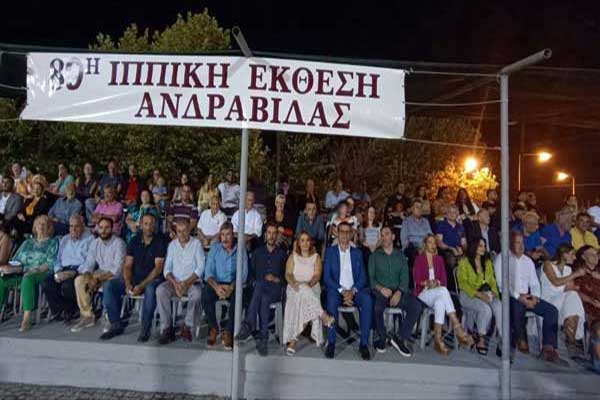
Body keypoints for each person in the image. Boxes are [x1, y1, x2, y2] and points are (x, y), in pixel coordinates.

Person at [493, 231, 560, 362]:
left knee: (552, 311)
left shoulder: (528, 261)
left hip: (527, 296)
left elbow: (534, 283)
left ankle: (548, 347)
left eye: (522, 242)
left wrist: (535, 297)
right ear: (510, 244)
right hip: (508, 296)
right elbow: (502, 284)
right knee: (518, 305)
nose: (521, 246)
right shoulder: (502, 259)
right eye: (517, 243)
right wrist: (519, 297)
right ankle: (521, 338)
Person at [102, 214, 167, 341]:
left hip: (152, 279)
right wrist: (127, 283)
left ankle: (145, 328)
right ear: (141, 225)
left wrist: (141, 285)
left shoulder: (160, 241)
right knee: (109, 285)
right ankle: (115, 324)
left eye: (152, 224)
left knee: (150, 289)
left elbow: (158, 268)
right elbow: (127, 266)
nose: (149, 227)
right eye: (146, 224)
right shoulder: (134, 241)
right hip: (135, 278)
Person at [413, 234, 473, 355]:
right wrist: (428, 283)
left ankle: (438, 340)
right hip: (423, 293)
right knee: (443, 291)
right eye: (430, 242)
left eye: (434, 242)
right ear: (425, 244)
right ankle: (457, 326)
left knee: (440, 302)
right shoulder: (419, 259)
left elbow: (444, 281)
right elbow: (417, 279)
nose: (433, 245)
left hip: (437, 292)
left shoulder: (439, 259)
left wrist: (436, 283)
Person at [369, 226, 422, 357]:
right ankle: (382, 337)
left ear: (393, 237)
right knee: (377, 307)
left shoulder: (400, 256)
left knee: (416, 305)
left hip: (397, 291)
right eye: (382, 235)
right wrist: (381, 288)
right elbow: (371, 278)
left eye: (386, 234)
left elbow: (405, 278)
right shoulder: (375, 256)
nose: (384, 237)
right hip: (381, 291)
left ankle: (400, 337)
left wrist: (399, 292)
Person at [236, 223, 288, 356]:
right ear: (265, 235)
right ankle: (263, 340)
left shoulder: (282, 254)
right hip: (260, 291)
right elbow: (251, 275)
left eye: (274, 233)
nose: (271, 236)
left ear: (277, 236)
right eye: (269, 233)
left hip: (275, 289)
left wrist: (277, 279)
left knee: (260, 287)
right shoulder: (257, 252)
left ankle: (248, 325)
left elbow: (286, 277)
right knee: (262, 294)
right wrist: (255, 283)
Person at [323, 221, 373, 360]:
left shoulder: (357, 253)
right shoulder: (330, 252)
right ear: (337, 234)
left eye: (347, 232)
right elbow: (327, 278)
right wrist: (342, 291)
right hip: (337, 291)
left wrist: (352, 291)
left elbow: (363, 277)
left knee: (367, 300)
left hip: (354, 291)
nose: (344, 234)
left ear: (351, 234)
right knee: (331, 300)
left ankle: (363, 344)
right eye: (342, 231)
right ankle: (331, 343)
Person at [0, 215, 59, 332]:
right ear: (34, 227)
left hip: (41, 272)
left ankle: (27, 317)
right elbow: (16, 260)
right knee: (2, 279)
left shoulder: (53, 242)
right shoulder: (27, 242)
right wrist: (10, 268)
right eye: (38, 224)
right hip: (22, 271)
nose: (41, 226)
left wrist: (34, 270)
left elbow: (51, 262)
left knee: (27, 279)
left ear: (49, 227)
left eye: (44, 224)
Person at [283, 231, 335, 356]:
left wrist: (308, 285)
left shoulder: (316, 257)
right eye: (302, 240)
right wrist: (295, 283)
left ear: (310, 242)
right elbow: (288, 274)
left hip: (312, 287)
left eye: (307, 240)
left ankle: (293, 341)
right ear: (298, 243)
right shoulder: (293, 256)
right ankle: (323, 316)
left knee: (305, 294)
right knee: (302, 292)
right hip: (294, 287)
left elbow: (317, 276)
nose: (305, 243)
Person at [70, 217, 126, 333]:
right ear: (97, 229)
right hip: (100, 273)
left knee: (108, 284)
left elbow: (117, 269)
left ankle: (109, 318)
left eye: (107, 228)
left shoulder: (119, 243)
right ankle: (87, 316)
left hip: (117, 277)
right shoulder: (95, 243)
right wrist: (88, 277)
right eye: (101, 228)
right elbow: (89, 264)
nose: (103, 231)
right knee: (79, 280)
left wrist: (97, 279)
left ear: (112, 229)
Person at [156, 218, 204, 344]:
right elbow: (166, 270)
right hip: (174, 283)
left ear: (189, 230)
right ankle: (166, 328)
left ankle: (187, 326)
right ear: (176, 232)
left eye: (184, 231)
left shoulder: (196, 244)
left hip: (191, 282)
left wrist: (186, 283)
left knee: (197, 294)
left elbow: (200, 268)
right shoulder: (172, 245)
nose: (182, 234)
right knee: (160, 290)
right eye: (179, 231)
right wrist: (176, 284)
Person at [202, 221, 248, 350]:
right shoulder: (215, 249)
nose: (225, 238)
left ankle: (228, 331)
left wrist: (232, 287)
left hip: (234, 284)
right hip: (217, 283)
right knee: (205, 294)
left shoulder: (241, 249)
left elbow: (243, 274)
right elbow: (208, 273)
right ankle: (213, 328)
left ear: (233, 235)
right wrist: (217, 287)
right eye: (222, 235)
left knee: (238, 296)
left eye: (228, 234)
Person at [43, 215, 93, 323]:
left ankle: (71, 311)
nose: (73, 229)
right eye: (71, 226)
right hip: (63, 269)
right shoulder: (65, 239)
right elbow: (57, 259)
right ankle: (59, 311)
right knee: (48, 282)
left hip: (79, 270)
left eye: (76, 226)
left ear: (83, 226)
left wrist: (73, 272)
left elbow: (90, 262)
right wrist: (57, 271)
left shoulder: (90, 239)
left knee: (67, 286)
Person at [457, 238, 502, 356]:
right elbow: (463, 284)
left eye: (484, 246)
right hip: (468, 294)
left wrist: (494, 292)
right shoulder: (464, 262)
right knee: (486, 309)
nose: (483, 248)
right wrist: (479, 294)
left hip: (486, 293)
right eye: (480, 246)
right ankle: (481, 339)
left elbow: (492, 281)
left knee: (499, 306)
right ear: (474, 247)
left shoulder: (487, 262)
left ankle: (501, 339)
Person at [540, 244, 586, 353]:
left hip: (563, 301)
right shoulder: (548, 264)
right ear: (564, 254)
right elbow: (556, 282)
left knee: (573, 298)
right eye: (572, 254)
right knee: (572, 296)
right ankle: (571, 341)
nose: (574, 258)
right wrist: (575, 274)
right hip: (549, 301)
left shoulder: (568, 269)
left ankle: (571, 341)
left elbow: (569, 288)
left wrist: (573, 283)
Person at [401, 199, 432, 275]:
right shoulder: (406, 221)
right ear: (412, 209)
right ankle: (419, 279)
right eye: (417, 207)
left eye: (421, 207)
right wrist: (417, 248)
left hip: (426, 247)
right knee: (416, 254)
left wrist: (425, 247)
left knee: (441, 255)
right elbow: (404, 241)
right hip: (412, 248)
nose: (419, 209)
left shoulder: (425, 221)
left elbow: (430, 236)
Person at [435, 204, 466, 281]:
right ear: (446, 214)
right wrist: (451, 248)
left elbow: (464, 243)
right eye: (450, 212)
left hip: (459, 250)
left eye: (454, 212)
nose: (452, 214)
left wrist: (462, 249)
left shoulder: (460, 227)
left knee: (468, 261)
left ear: (457, 214)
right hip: (446, 251)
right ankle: (453, 284)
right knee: (452, 260)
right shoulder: (442, 225)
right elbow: (438, 242)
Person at [573, 245, 600, 326]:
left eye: (596, 254)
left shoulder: (598, 271)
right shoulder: (579, 272)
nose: (595, 257)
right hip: (592, 309)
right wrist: (591, 301)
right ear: (583, 257)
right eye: (592, 254)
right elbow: (575, 291)